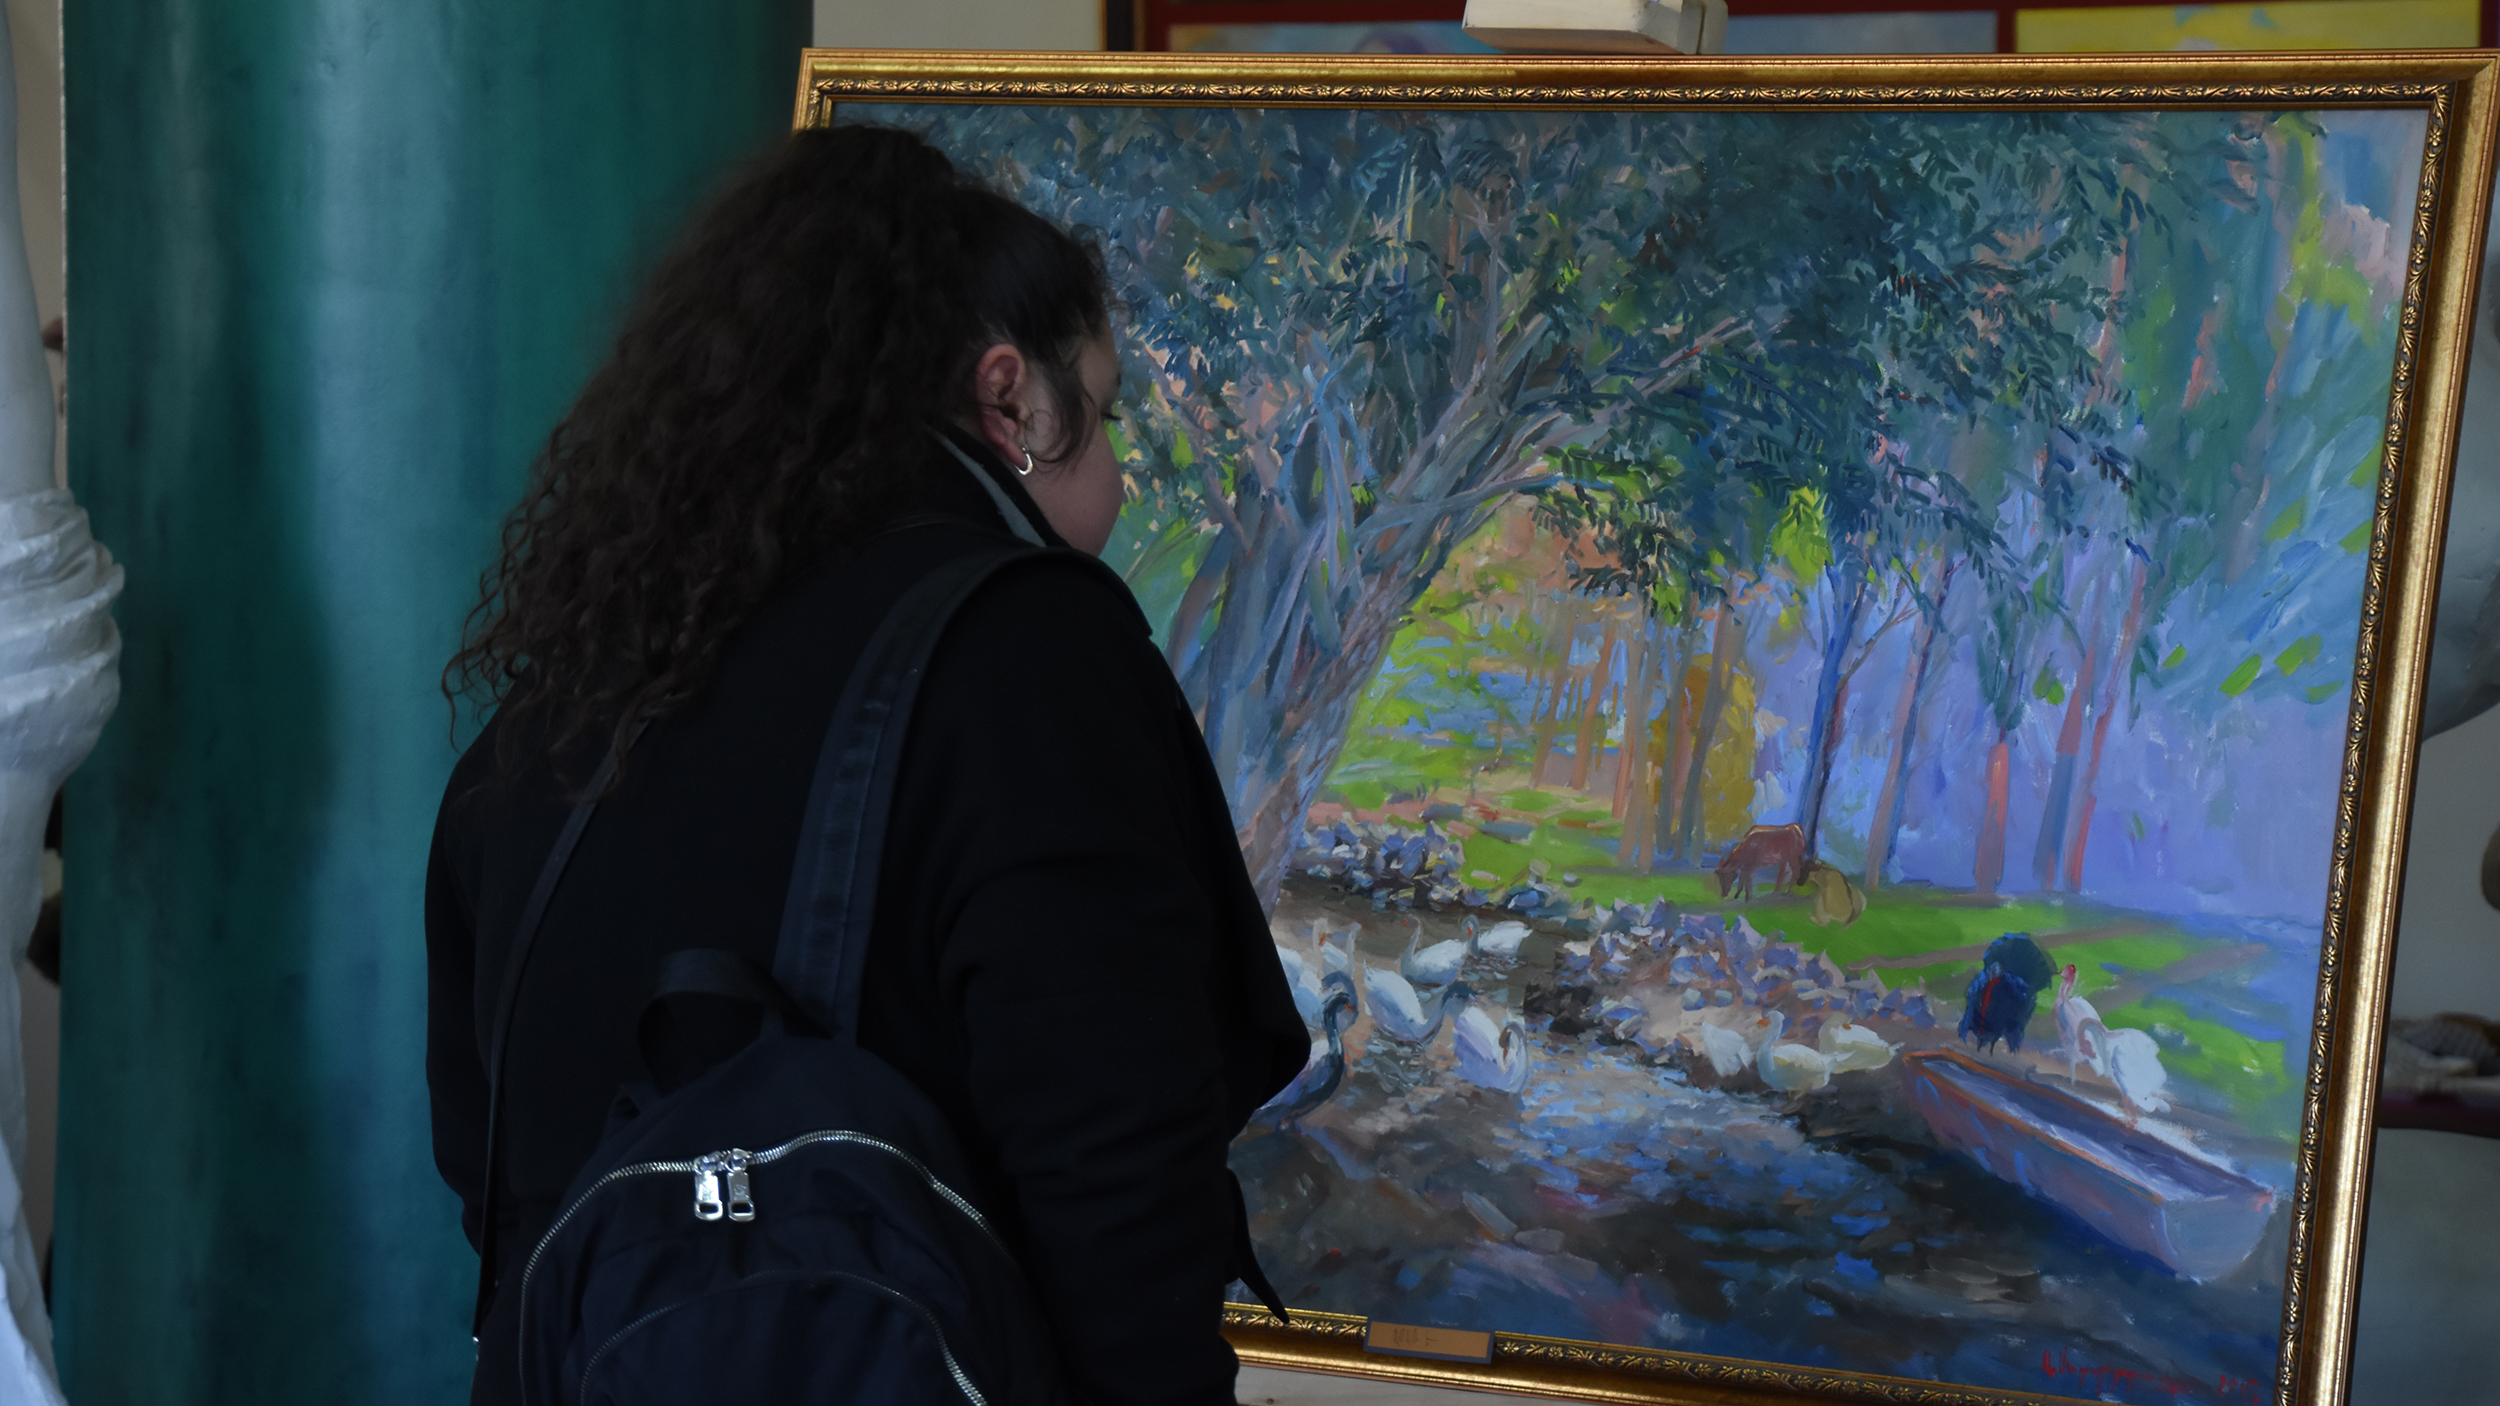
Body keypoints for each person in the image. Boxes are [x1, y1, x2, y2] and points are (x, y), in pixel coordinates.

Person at [425, 125, 1309, 1405]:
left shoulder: (571, 693)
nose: (1118, 479)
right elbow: (1121, 1206)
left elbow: (502, 1194)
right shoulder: (1029, 659)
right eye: (1104, 414)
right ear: (1011, 400)